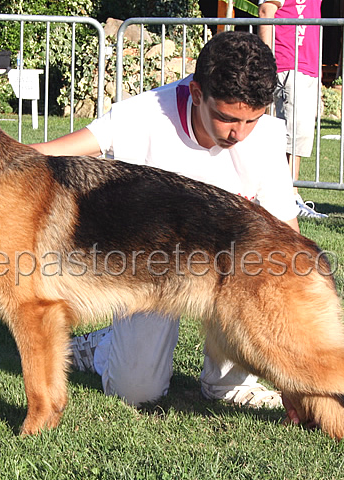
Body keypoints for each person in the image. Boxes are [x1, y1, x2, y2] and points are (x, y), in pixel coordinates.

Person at [31, 32, 300, 412]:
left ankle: (230, 383)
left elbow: (287, 236)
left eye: (251, 119)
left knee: (256, 271)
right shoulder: (142, 115)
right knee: (136, 392)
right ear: (195, 92)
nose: (238, 133)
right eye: (226, 118)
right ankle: (102, 347)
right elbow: (48, 155)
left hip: (226, 272)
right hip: (149, 271)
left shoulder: (267, 134)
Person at [258, 0, 328, 219]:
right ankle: (287, 197)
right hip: (288, 63)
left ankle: (289, 193)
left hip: (307, 66)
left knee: (299, 133)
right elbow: (266, 10)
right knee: (292, 131)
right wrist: (266, 60)